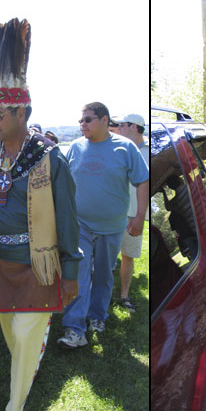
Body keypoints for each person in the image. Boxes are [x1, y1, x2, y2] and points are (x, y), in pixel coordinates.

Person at [0, 17, 82, 411]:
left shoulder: (48, 158)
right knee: (13, 334)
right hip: (0, 263)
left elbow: (69, 217)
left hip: (40, 263)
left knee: (25, 335)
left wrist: (72, 271)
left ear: (22, 112)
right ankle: (26, 369)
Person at [58, 102, 149, 347]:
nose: (82, 124)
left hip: (112, 226)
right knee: (79, 274)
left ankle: (97, 316)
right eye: (80, 121)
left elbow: (142, 181)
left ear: (105, 120)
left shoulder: (125, 147)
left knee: (103, 276)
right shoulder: (74, 147)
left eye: (88, 120)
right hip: (81, 226)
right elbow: (63, 183)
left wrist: (140, 216)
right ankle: (74, 329)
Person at [112, 113, 150, 312]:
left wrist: (141, 216)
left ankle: (124, 295)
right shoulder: (117, 148)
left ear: (134, 127)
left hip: (135, 214)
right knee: (106, 256)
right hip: (112, 213)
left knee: (128, 256)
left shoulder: (149, 152)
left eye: (122, 125)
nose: (119, 128)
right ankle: (101, 293)